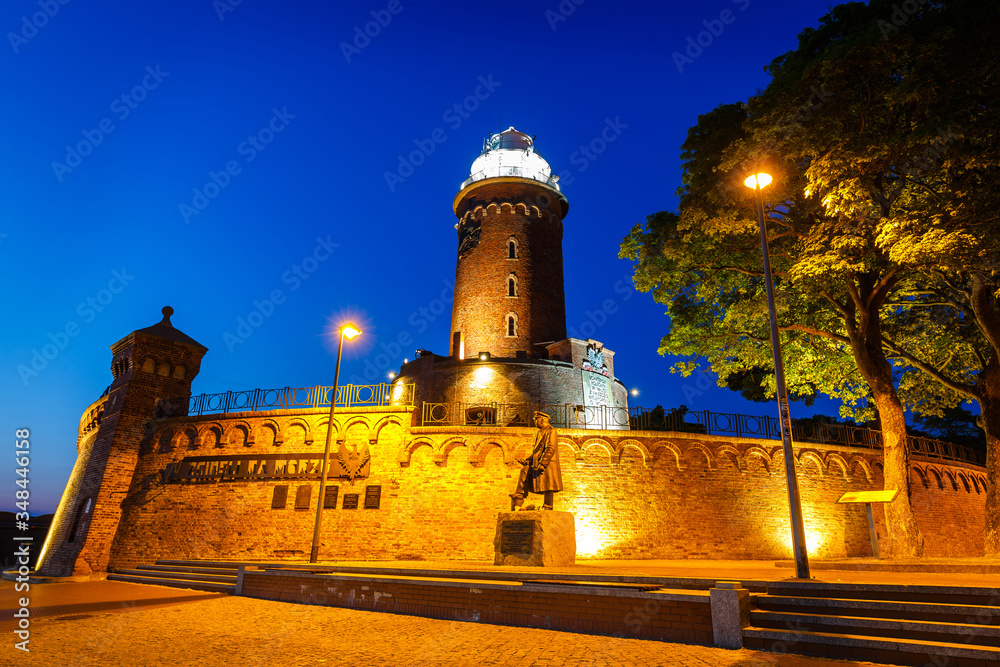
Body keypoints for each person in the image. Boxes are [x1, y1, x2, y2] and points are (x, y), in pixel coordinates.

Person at [510, 411, 563, 510]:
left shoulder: (551, 431)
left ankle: (548, 506)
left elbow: (550, 448)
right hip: (537, 462)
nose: (534, 422)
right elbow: (538, 450)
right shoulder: (540, 432)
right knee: (524, 470)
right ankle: (518, 498)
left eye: (536, 420)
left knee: (549, 484)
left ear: (542, 420)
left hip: (547, 463)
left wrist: (543, 463)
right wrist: (528, 460)